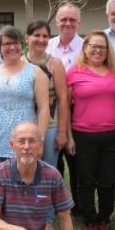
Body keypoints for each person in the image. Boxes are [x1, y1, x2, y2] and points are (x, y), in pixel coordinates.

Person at [66, 30, 115, 230]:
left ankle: (104, 219)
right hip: (83, 134)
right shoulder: (74, 71)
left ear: (108, 50)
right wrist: (69, 136)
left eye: (103, 47)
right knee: (85, 180)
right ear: (86, 48)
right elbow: (66, 105)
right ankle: (89, 219)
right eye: (94, 46)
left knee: (108, 180)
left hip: (113, 135)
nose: (98, 51)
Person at [0, 26, 50, 169]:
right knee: (1, 181)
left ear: (22, 45)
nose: (12, 47)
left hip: (25, 139)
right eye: (6, 44)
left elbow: (43, 108)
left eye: (15, 42)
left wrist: (40, 140)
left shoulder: (36, 72)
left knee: (25, 182)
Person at [46, 4, 84, 217]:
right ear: (56, 22)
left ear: (79, 22)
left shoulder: (88, 47)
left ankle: (79, 207)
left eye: (72, 19)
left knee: (77, 164)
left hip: (79, 114)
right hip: (51, 115)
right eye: (64, 19)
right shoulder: (47, 46)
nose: (68, 23)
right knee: (53, 164)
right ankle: (55, 205)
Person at [24, 20, 68, 167]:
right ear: (27, 38)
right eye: (37, 35)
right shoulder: (19, 62)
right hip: (25, 125)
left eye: (45, 36)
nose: (41, 40)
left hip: (50, 125)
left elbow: (63, 100)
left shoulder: (55, 64)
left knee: (47, 169)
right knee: (26, 167)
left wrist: (62, 132)